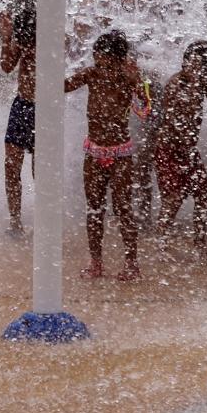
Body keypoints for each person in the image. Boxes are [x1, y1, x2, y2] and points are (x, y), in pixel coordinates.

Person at [66, 30, 145, 281]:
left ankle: (132, 262)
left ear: (119, 60)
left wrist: (137, 83)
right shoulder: (91, 74)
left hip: (120, 154)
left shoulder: (128, 77)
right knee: (94, 209)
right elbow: (63, 86)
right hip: (94, 152)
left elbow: (146, 108)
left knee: (123, 208)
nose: (101, 64)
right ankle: (96, 262)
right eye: (98, 58)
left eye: (106, 60)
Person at [153, 41, 207, 255]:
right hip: (170, 148)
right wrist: (181, 149)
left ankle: (200, 242)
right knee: (173, 198)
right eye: (192, 63)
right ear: (185, 62)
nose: (195, 69)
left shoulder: (204, 82)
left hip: (188, 149)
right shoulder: (176, 83)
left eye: (201, 65)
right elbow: (170, 118)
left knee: (203, 195)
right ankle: (161, 244)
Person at [0, 7, 37, 237]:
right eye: (24, 42)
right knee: (11, 167)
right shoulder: (22, 41)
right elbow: (6, 67)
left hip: (46, 112)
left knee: (40, 170)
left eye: (31, 42)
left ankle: (44, 220)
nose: (28, 47)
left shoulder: (52, 43)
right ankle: (15, 222)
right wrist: (6, 39)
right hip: (22, 107)